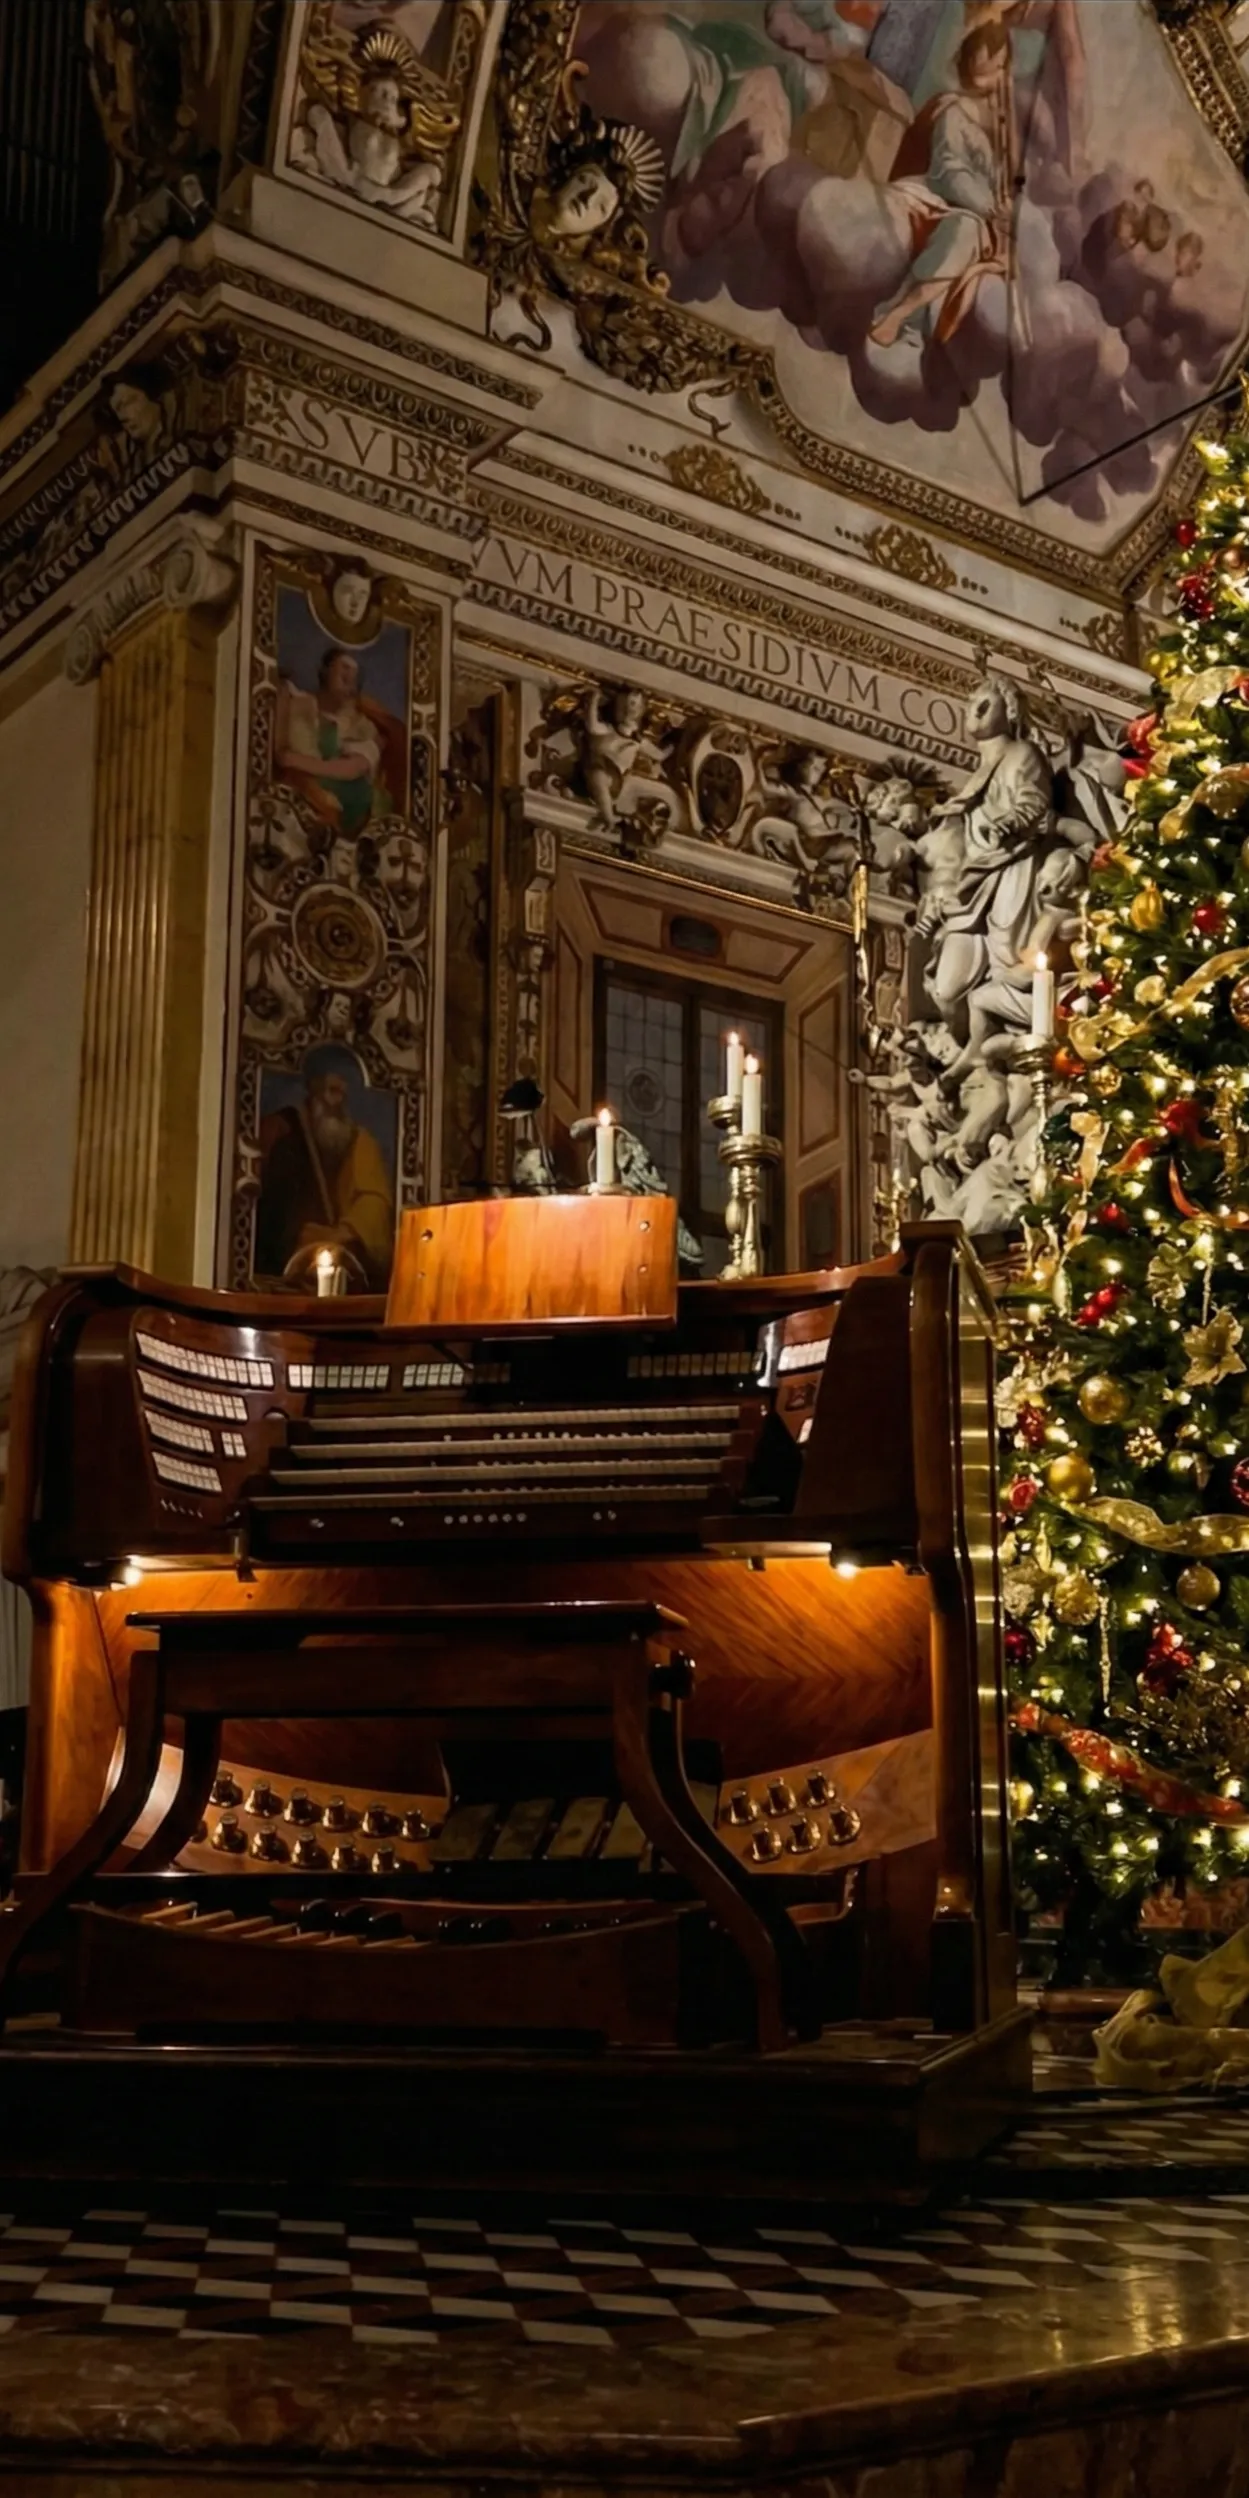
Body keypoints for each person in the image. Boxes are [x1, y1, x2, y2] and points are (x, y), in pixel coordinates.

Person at [869, 20, 1011, 351]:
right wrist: (990, 208)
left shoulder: (992, 127)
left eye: (1003, 67)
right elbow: (948, 172)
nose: (1002, 77)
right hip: (935, 195)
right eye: (996, 66)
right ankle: (898, 313)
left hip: (968, 205)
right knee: (965, 231)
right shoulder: (955, 110)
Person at [256, 1063, 395, 1287]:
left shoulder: (358, 1139)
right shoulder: (286, 1130)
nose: (337, 1102)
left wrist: (345, 1233)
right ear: (314, 1091)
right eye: (332, 1091)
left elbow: (375, 1201)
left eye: (342, 1094)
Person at [273, 646, 404, 837]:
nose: (349, 677)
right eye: (344, 668)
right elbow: (281, 751)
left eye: (354, 673)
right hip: (295, 808)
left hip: (347, 818)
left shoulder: (364, 726)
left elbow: (352, 769)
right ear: (325, 671)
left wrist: (296, 760)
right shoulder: (298, 703)